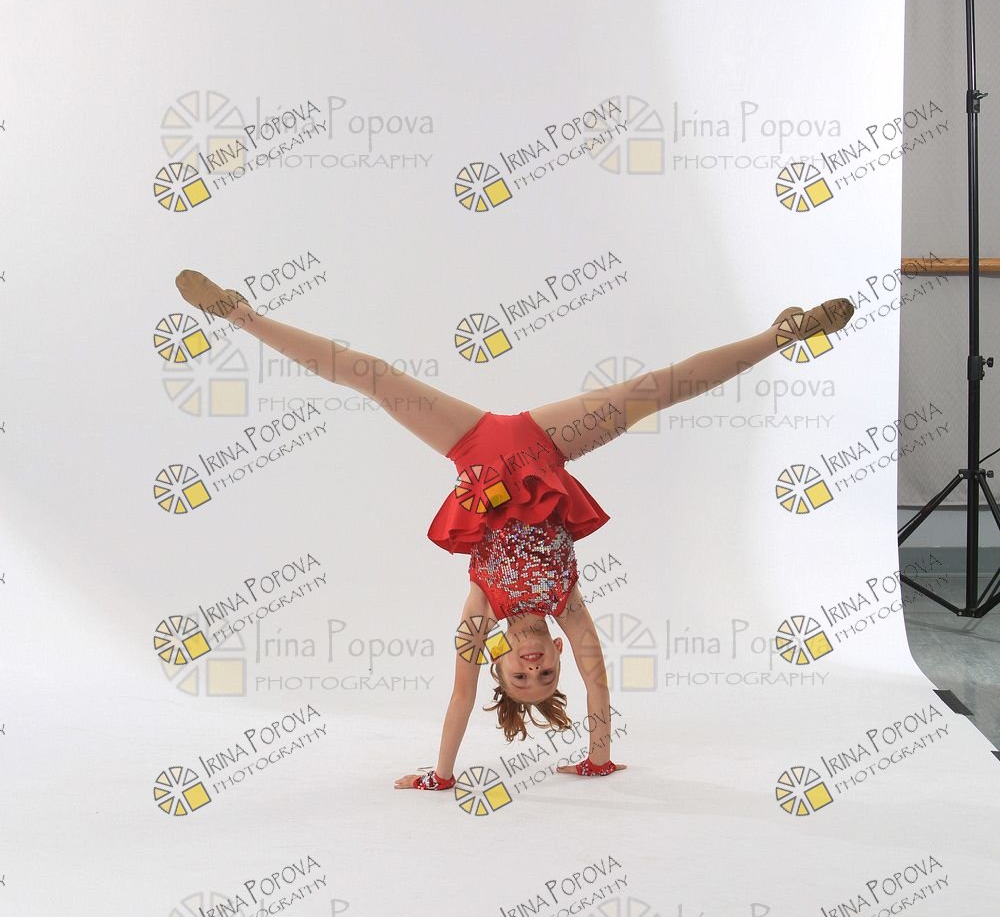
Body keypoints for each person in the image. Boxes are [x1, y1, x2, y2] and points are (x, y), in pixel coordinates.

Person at [174, 269, 853, 792]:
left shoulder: (481, 613)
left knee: (375, 379)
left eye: (521, 675)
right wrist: (598, 758)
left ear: (498, 660)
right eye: (546, 671)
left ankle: (241, 315)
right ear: (556, 651)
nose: (535, 667)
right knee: (653, 391)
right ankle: (782, 336)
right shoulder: (568, 606)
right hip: (541, 445)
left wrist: (442, 774)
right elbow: (598, 684)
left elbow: (459, 696)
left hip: (473, 446)